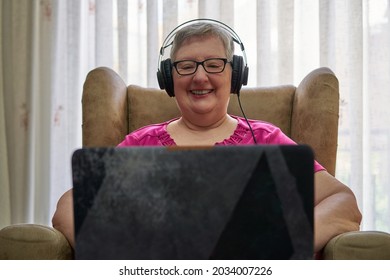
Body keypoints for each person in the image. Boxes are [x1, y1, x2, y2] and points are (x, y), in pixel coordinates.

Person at [52, 20, 362, 255]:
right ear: (169, 79)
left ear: (235, 74)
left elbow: (343, 203)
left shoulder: (267, 139)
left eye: (214, 65)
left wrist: (278, 240)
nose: (200, 77)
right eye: (186, 66)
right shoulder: (139, 144)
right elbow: (69, 206)